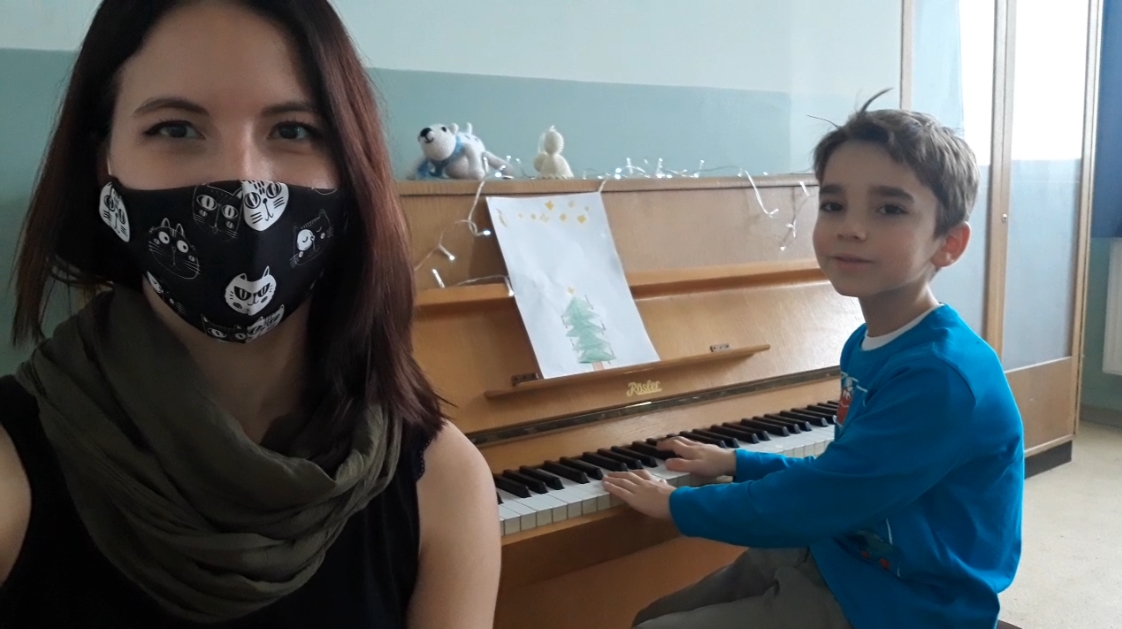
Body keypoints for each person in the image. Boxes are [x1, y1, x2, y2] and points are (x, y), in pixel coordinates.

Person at [0, 1, 501, 627]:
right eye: (176, 129)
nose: (239, 180)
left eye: (293, 130)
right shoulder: (12, 467)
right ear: (105, 162)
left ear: (351, 165)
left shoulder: (443, 482)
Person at [603, 95, 1024, 629]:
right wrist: (739, 462)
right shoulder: (866, 341)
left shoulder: (941, 378)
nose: (851, 227)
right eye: (833, 205)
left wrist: (676, 506)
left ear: (950, 244)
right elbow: (844, 474)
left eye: (889, 209)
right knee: (651, 616)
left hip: (906, 604)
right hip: (841, 552)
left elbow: (825, 498)